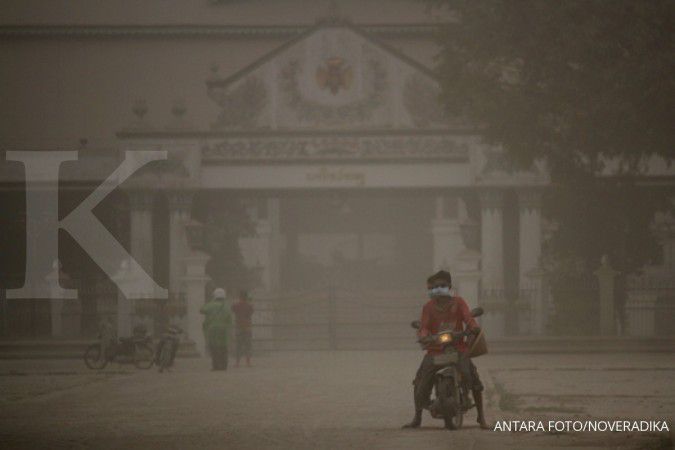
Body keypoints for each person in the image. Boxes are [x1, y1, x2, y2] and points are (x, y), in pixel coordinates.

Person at [402, 270, 489, 430]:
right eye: (435, 286)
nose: (439, 289)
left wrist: (473, 327)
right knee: (420, 381)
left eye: (442, 285)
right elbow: (424, 326)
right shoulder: (428, 307)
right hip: (435, 350)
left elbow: (468, 319)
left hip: (458, 347)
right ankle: (417, 417)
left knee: (473, 378)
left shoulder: (459, 302)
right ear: (432, 289)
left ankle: (481, 418)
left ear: (449, 286)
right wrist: (423, 335)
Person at [200, 287, 232, 370]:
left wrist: (211, 302)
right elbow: (229, 319)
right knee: (223, 348)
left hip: (212, 329)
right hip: (223, 330)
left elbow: (202, 310)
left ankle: (216, 366)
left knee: (214, 347)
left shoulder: (210, 305)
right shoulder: (227, 306)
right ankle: (224, 366)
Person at [231, 290, 254, 367]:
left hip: (239, 327)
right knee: (248, 345)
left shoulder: (236, 305)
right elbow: (251, 312)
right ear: (246, 297)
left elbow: (232, 309)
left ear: (240, 297)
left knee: (238, 345)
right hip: (247, 326)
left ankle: (237, 363)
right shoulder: (249, 306)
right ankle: (248, 362)